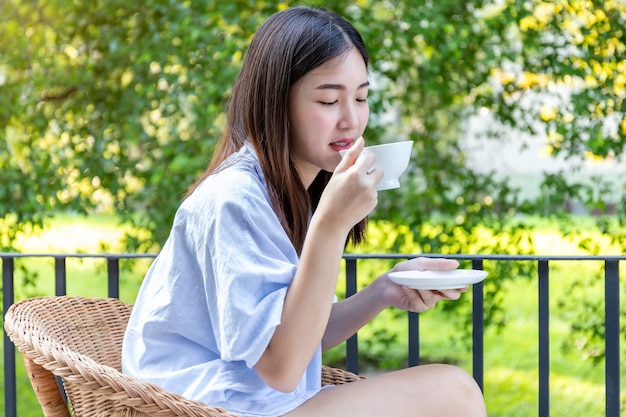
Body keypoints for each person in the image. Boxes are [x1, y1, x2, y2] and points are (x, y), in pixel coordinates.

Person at [122, 6, 487, 417]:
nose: (351, 119)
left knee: (450, 390)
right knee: (452, 392)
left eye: (362, 97)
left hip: (254, 402)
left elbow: (298, 333)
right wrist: (331, 225)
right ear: (277, 102)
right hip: (202, 408)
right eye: (329, 99)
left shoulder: (284, 190)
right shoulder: (233, 199)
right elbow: (282, 367)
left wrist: (387, 290)